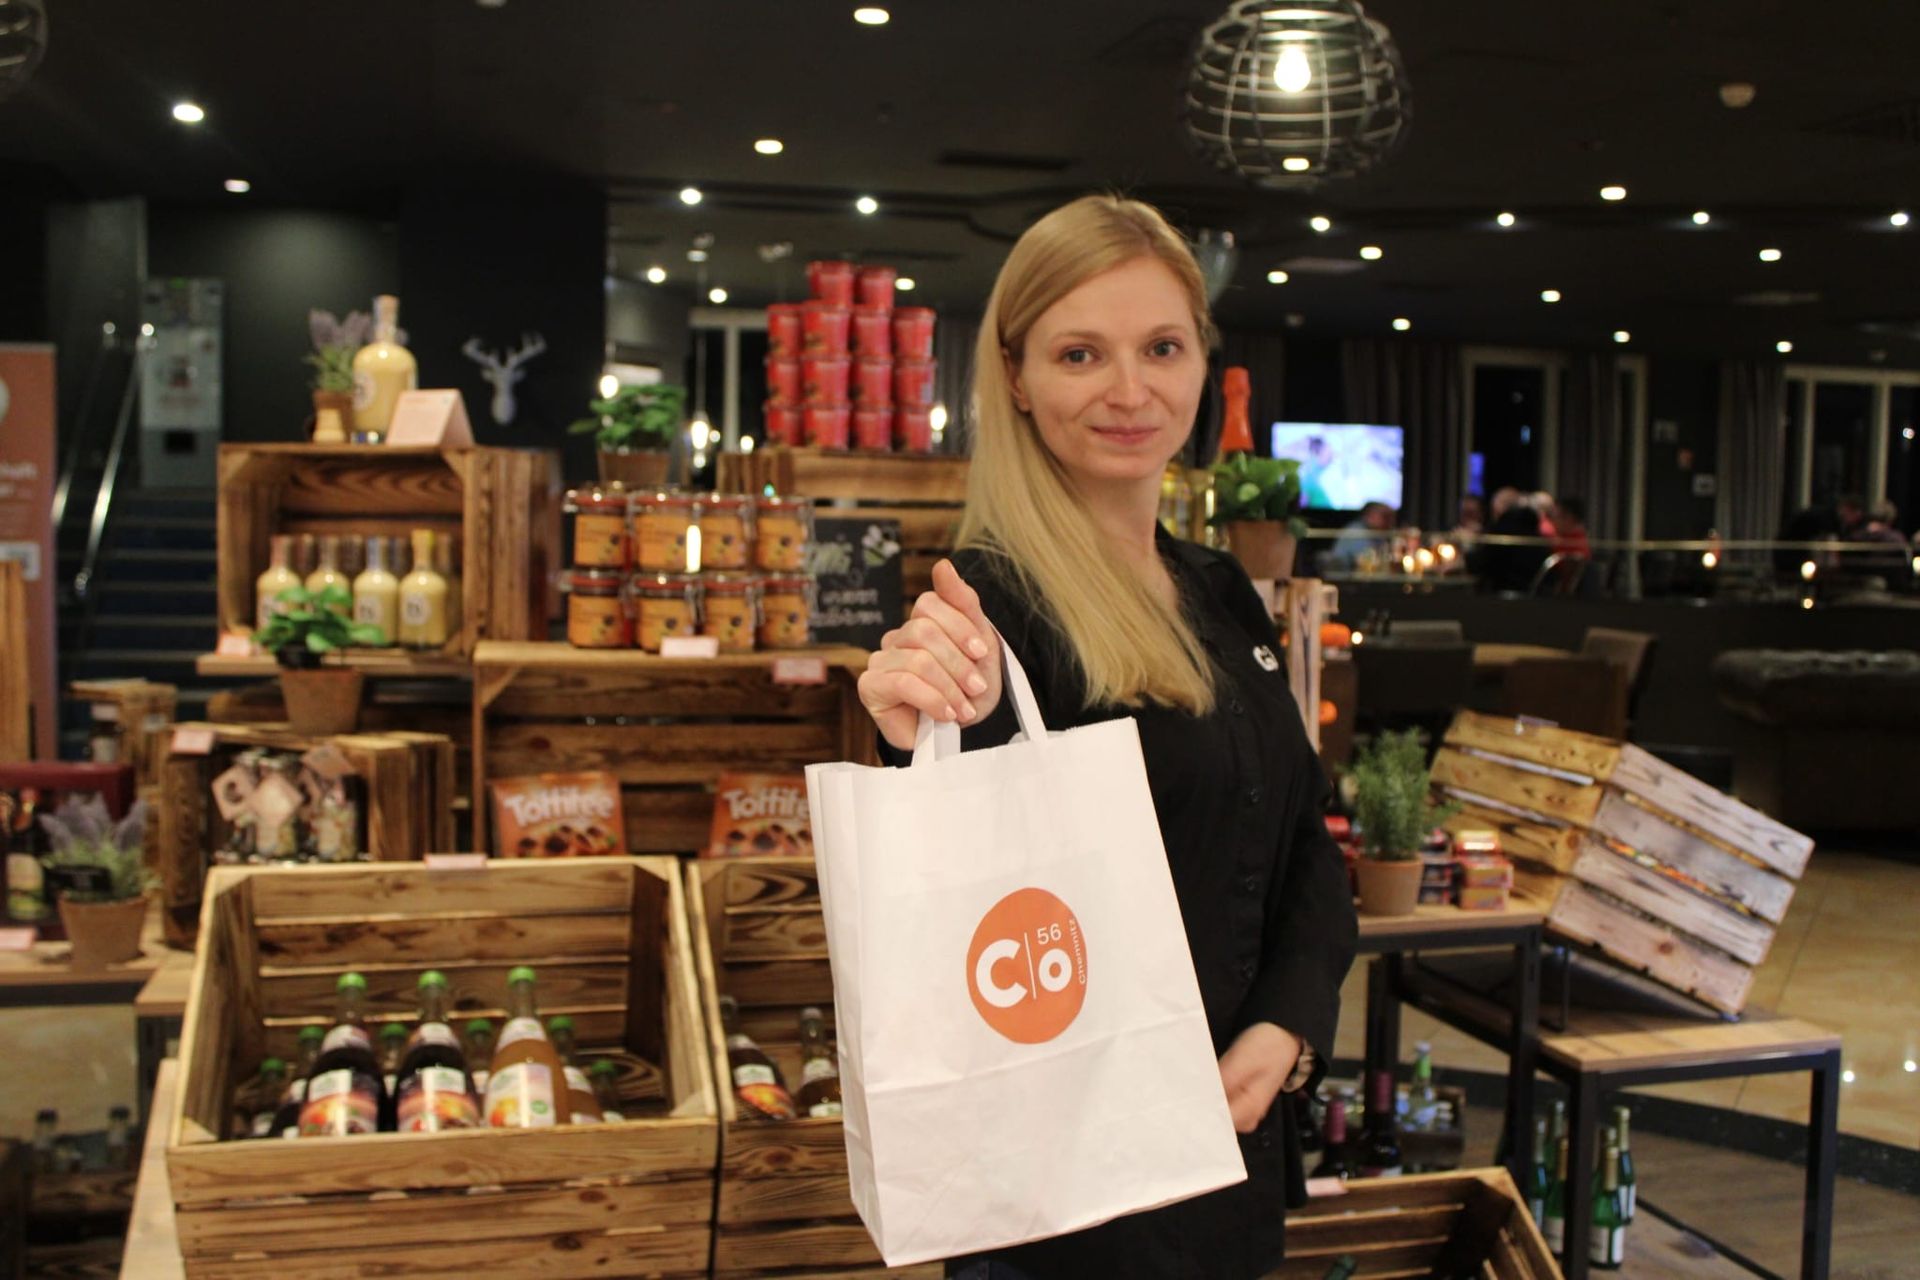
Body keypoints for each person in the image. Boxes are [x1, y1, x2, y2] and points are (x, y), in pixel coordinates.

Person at [856, 194, 1357, 1280]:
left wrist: (1287, 1026)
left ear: (1202, 364)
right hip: (1069, 1215)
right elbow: (965, 893)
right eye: (1082, 353)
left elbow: (1308, 849)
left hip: (1230, 1165)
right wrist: (909, 744)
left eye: (1162, 348)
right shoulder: (993, 608)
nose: (1132, 390)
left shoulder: (1218, 588)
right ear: (1019, 378)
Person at [1320, 500, 1396, 572]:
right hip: (1345, 579)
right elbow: (1364, 561)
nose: (1390, 523)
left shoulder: (1377, 534)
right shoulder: (1356, 532)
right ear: (1371, 515)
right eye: (1385, 517)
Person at [1549, 496, 1591, 560]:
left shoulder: (1575, 543)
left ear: (1570, 518)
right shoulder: (1558, 538)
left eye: (1558, 516)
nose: (1553, 520)